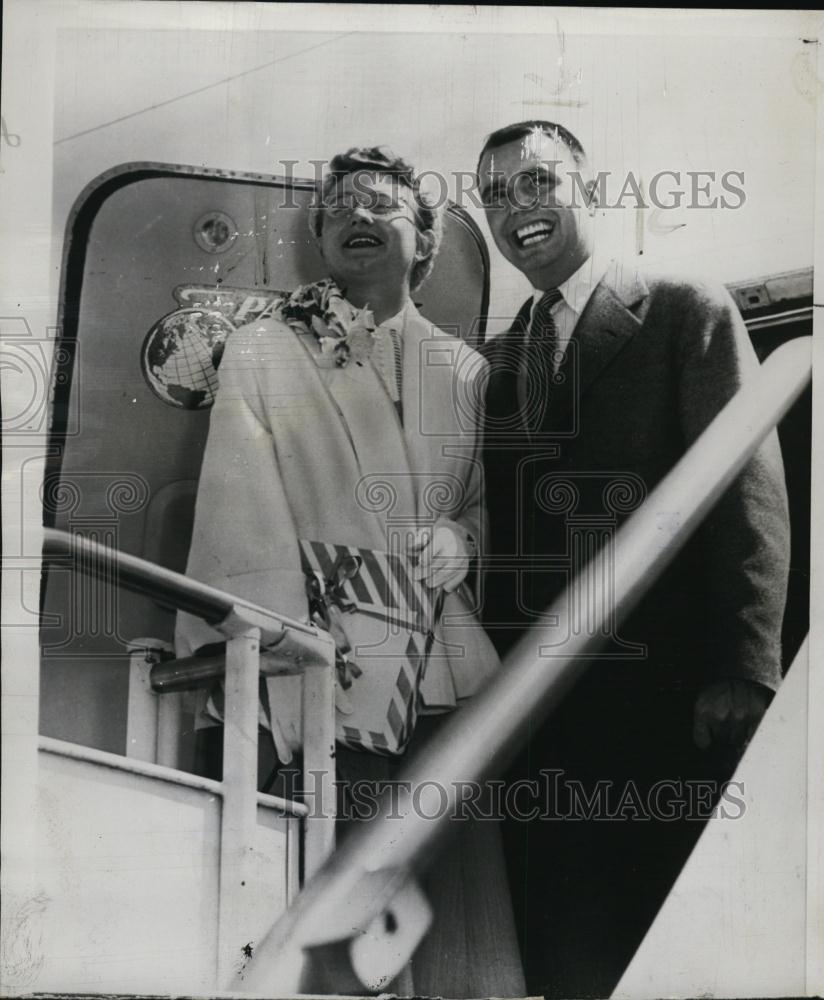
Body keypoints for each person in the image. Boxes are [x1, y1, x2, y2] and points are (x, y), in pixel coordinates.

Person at [175, 146, 525, 998]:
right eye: (338, 209)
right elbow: (239, 524)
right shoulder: (262, 351)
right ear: (321, 238)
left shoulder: (470, 372)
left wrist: (466, 539)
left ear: (426, 245)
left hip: (444, 682)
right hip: (326, 681)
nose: (357, 218)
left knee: (453, 935)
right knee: (343, 934)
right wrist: (291, 680)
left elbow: (485, 504)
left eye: (381, 205)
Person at [476, 121, 790, 998]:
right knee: (569, 957)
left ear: (590, 186)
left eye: (535, 182)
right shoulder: (500, 363)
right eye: (493, 195)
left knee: (674, 952)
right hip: (542, 723)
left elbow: (746, 485)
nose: (515, 210)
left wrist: (743, 662)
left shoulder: (683, 304)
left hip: (664, 702)